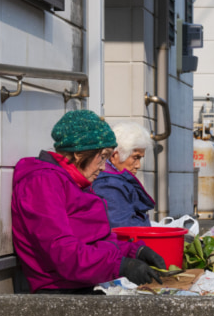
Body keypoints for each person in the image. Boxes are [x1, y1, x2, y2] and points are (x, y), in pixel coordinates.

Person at [11, 110, 167, 294]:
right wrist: (121, 266)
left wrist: (134, 251)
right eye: (102, 157)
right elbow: (64, 253)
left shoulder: (74, 181)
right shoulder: (43, 182)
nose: (103, 167)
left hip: (79, 284)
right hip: (59, 291)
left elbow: (94, 241)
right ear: (79, 154)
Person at [93, 121, 155, 228]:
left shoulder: (112, 181)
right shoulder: (108, 185)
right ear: (114, 156)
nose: (138, 165)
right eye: (136, 158)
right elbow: (123, 228)